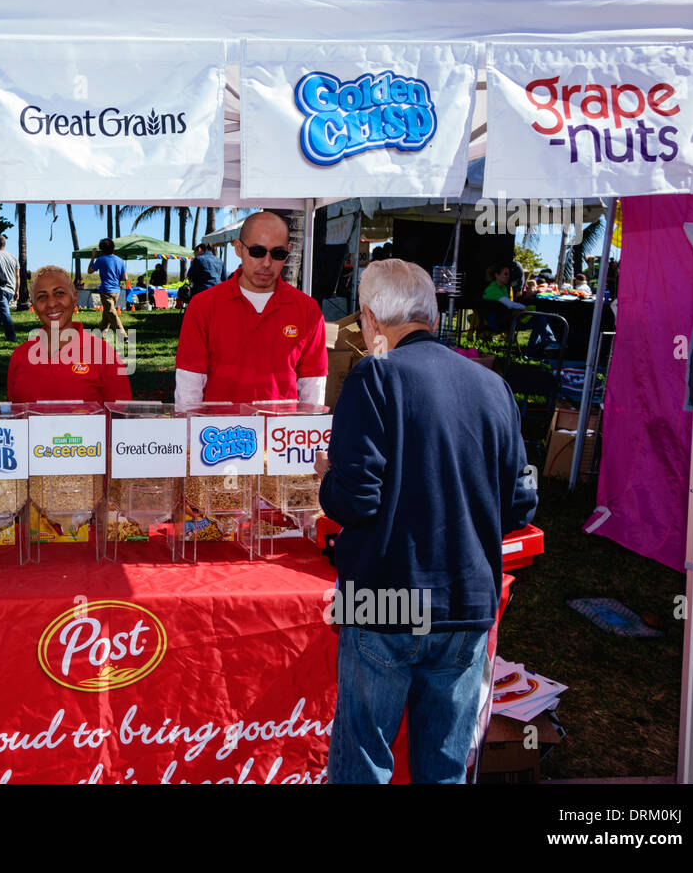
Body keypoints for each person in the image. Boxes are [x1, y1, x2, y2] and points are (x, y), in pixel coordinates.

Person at [316, 259, 537, 784]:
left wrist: (327, 475)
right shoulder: (493, 386)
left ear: (370, 319)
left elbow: (353, 501)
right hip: (468, 598)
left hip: (383, 596)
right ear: (433, 316)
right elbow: (521, 505)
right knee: (443, 766)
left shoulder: (376, 373)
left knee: (362, 763)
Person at [174, 211, 326, 410]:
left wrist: (306, 433)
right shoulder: (204, 306)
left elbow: (313, 384)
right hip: (218, 436)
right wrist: (190, 433)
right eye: (257, 251)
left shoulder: (307, 309)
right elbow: (190, 382)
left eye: (278, 254)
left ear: (288, 252)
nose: (266, 263)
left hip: (281, 436)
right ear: (239, 248)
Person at [7, 266, 132, 404]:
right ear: (34, 306)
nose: (52, 303)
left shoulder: (104, 355)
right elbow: (14, 416)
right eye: (42, 296)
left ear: (74, 297)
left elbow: (121, 418)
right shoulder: (20, 356)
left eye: (59, 293)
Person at [88, 238, 127, 339]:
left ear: (102, 250)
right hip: (116, 291)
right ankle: (99, 336)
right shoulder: (120, 261)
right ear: (113, 248)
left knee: (111, 313)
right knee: (107, 315)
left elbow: (90, 271)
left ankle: (123, 335)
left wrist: (93, 257)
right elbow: (125, 278)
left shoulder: (101, 260)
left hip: (106, 290)